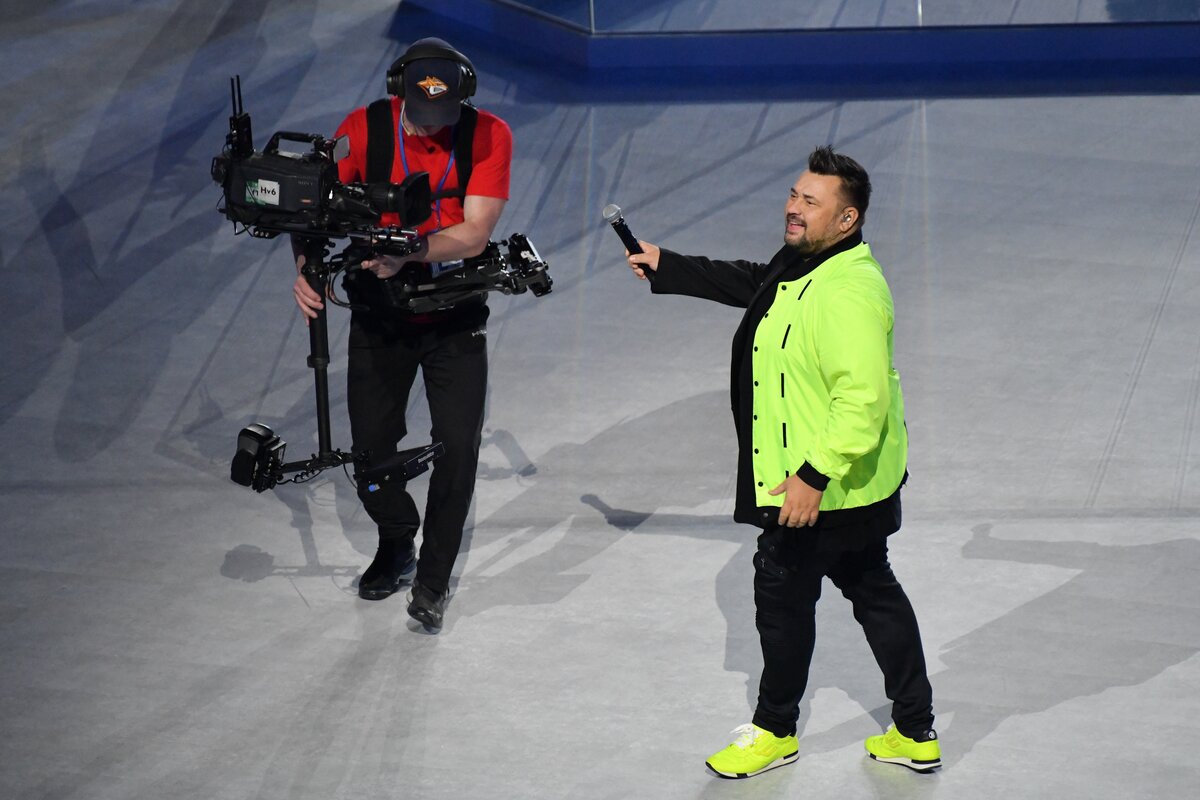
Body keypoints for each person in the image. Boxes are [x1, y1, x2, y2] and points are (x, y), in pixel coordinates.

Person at [626, 146, 940, 778]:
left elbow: (863, 399)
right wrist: (672, 266)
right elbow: (758, 285)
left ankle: (774, 730)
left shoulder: (850, 292)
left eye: (810, 202)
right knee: (872, 587)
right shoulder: (807, 264)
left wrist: (812, 476)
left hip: (818, 485)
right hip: (857, 486)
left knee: (781, 596)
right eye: (795, 194)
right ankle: (915, 731)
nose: (794, 208)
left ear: (847, 219)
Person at [293, 38, 512, 630]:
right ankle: (396, 540)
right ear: (399, 93)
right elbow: (310, 204)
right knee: (370, 451)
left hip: (455, 310)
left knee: (457, 447)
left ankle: (433, 582)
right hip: (379, 311)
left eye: (444, 114)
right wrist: (306, 268)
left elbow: (474, 232)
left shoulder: (490, 134)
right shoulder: (363, 128)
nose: (431, 126)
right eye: (421, 114)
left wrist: (409, 252)